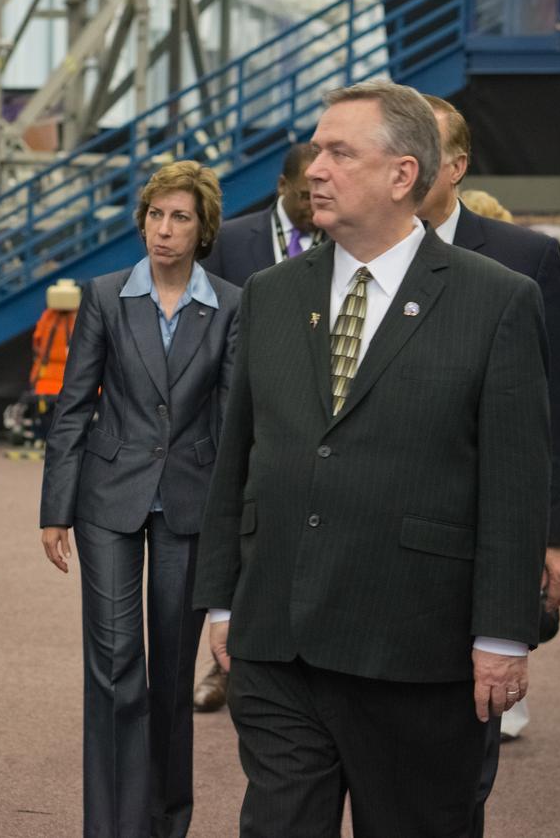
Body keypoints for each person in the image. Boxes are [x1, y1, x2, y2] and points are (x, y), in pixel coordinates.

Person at [193, 80, 550, 838]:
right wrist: (223, 600)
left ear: (403, 175)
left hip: (417, 649)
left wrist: (503, 635)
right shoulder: (270, 294)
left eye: (340, 152)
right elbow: (239, 455)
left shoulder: (498, 301)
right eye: (316, 149)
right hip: (279, 642)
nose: (315, 168)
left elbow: (516, 484)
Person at [39, 161, 240, 838]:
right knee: (116, 666)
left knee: (173, 677)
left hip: (190, 499)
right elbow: (73, 407)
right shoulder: (103, 296)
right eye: (155, 214)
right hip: (108, 500)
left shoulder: (232, 306)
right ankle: (115, 827)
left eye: (180, 216)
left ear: (202, 227)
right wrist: (54, 508)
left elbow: (236, 416)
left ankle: (165, 820)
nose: (164, 228)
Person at [418, 96, 560, 835]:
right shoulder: (345, 252)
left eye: (418, 146)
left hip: (486, 527)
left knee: (463, 745)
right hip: (383, 533)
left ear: (455, 166)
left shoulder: (525, 257)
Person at [192, 142, 323, 712]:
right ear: (281, 185)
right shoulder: (232, 241)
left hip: (304, 421)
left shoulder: (338, 239)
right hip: (231, 412)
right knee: (229, 534)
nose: (310, 204)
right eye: (301, 194)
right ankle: (220, 664)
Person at [199, 142, 323, 287]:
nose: (315, 207)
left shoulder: (342, 241)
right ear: (282, 185)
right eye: (306, 197)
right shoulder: (227, 239)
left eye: (322, 198)